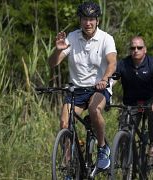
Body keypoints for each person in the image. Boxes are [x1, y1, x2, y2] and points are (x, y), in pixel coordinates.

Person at [48, 1, 117, 170]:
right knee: (65, 124)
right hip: (77, 90)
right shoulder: (72, 37)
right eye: (85, 19)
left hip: (98, 89)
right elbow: (52, 64)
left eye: (92, 19)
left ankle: (102, 148)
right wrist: (58, 50)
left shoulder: (106, 39)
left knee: (94, 110)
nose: (88, 23)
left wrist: (105, 79)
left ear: (97, 20)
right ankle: (69, 164)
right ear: (80, 20)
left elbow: (112, 63)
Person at [115, 36, 153, 157]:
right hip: (131, 102)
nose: (136, 50)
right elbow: (111, 81)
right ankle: (127, 163)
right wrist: (104, 94)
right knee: (124, 129)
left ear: (145, 49)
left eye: (139, 47)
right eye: (133, 48)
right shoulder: (123, 64)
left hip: (150, 100)